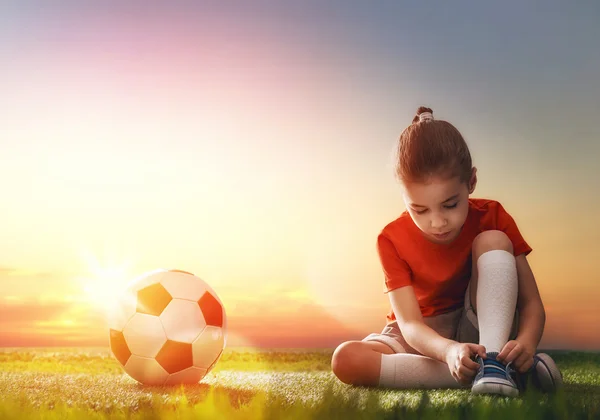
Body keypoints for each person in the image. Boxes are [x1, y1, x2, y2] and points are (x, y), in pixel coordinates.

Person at [331, 106, 563, 397]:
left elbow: (531, 304)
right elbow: (411, 325)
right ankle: (497, 372)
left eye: (450, 204)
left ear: (471, 182)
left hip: (480, 326)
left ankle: (492, 360)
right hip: (421, 338)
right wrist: (449, 352)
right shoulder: (390, 239)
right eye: (419, 209)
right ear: (404, 197)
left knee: (493, 240)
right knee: (346, 359)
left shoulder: (493, 216)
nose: (437, 222)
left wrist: (527, 344)